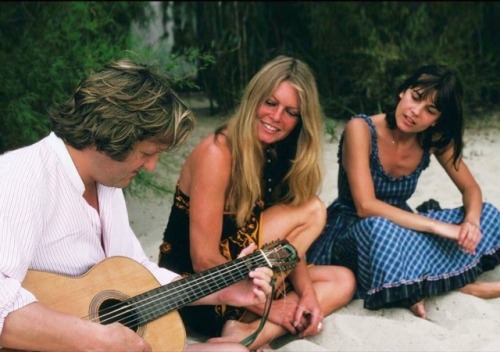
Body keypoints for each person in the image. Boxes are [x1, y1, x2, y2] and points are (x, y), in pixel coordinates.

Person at [0, 58, 275, 352]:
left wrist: (225, 291)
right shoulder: (20, 176)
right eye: (146, 153)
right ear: (114, 134)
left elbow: (136, 275)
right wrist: (94, 339)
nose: (152, 166)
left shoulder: (107, 185)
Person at [158, 55, 356, 350]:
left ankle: (249, 333)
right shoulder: (218, 152)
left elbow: (288, 246)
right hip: (198, 290)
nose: (276, 117)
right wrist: (269, 306)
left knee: (342, 280)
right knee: (313, 210)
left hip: (250, 273)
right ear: (254, 98)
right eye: (271, 102)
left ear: (302, 120)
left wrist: (308, 297)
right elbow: (202, 259)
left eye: (291, 112)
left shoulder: (276, 151)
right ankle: (251, 323)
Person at [307, 64, 500, 319]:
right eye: (415, 97)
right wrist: (437, 227)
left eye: (430, 110)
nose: (415, 111)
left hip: (405, 225)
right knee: (381, 229)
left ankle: (415, 287)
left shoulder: (432, 140)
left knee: (488, 214)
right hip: (355, 228)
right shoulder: (361, 129)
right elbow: (366, 205)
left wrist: (471, 224)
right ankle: (465, 287)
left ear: (438, 119)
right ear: (402, 92)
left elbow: (470, 188)